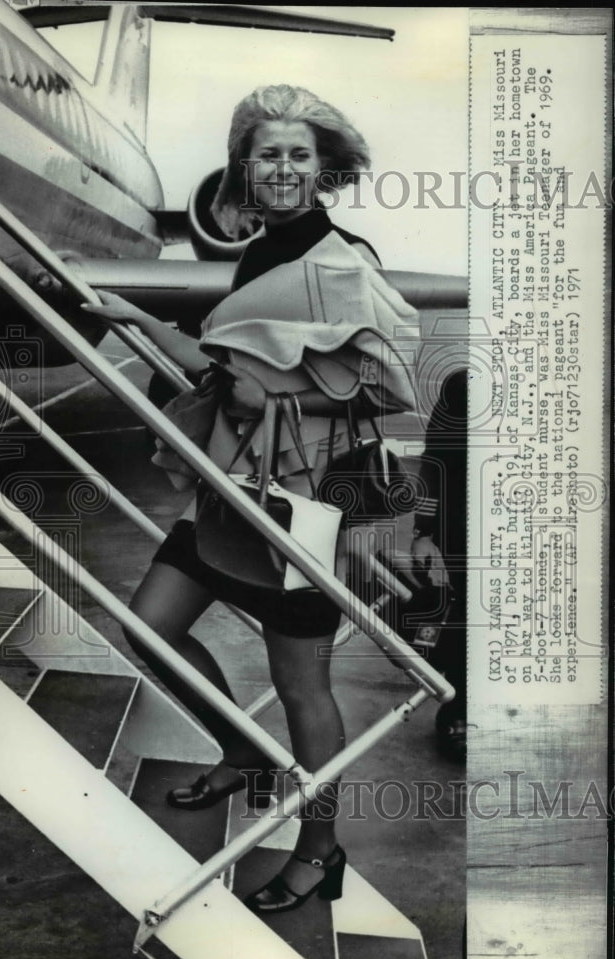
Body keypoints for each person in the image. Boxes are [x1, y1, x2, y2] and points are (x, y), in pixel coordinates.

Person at [82, 84, 419, 914]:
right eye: (266, 153)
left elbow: (383, 387)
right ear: (244, 166)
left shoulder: (345, 259)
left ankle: (320, 847)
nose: (281, 168)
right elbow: (224, 367)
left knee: (303, 687)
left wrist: (274, 398)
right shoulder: (261, 256)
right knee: (146, 628)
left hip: (306, 507)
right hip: (233, 492)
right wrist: (135, 319)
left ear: (323, 169)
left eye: (298, 155)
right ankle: (244, 749)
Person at [411, 368, 468, 762]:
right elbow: (435, 462)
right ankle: (460, 708)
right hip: (465, 524)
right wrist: (424, 532)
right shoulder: (465, 383)